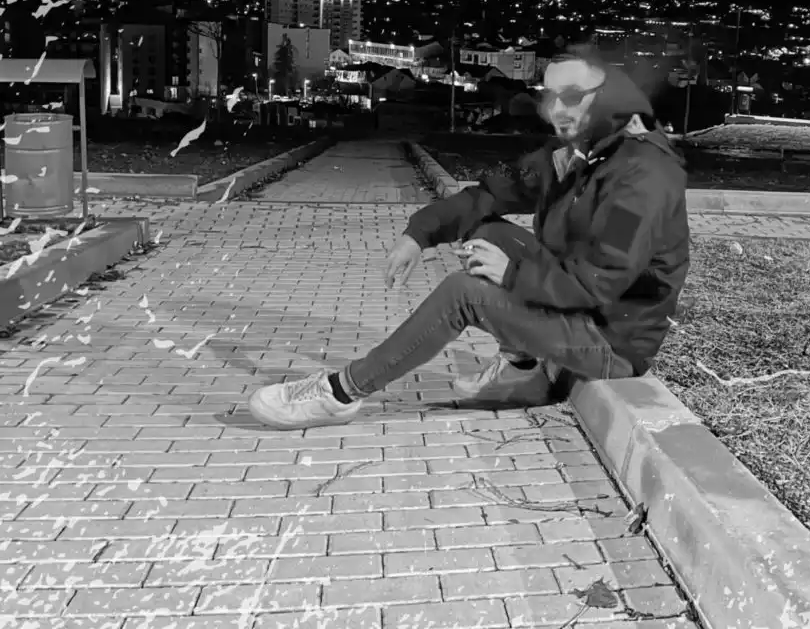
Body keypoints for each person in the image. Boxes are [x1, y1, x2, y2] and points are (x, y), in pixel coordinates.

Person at [248, 46, 690, 429]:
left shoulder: (644, 175)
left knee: (463, 293)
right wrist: (419, 233)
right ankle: (522, 367)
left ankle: (341, 392)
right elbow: (489, 193)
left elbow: (601, 281)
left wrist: (512, 274)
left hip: (611, 339)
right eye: (550, 96)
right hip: (576, 310)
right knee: (489, 230)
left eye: (572, 97)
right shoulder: (575, 153)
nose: (556, 109)